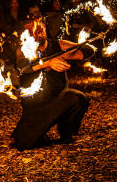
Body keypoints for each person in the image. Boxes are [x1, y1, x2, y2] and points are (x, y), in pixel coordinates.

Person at [11, 17, 90, 151]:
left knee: (78, 98)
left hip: (58, 100)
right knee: (24, 144)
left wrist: (74, 51)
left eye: (41, 28)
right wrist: (48, 63)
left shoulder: (59, 45)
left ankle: (66, 133)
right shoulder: (24, 50)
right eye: (34, 31)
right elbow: (23, 67)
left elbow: (88, 51)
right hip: (36, 107)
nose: (39, 32)